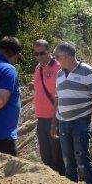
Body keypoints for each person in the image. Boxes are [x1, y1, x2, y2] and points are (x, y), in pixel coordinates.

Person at [49, 42, 92, 184]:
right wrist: (54, 123)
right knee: (68, 160)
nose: (56, 59)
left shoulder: (86, 71)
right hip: (63, 122)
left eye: (57, 56)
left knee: (82, 159)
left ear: (65, 56)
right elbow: (58, 99)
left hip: (81, 121)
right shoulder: (59, 74)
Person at [31, 40, 64, 174]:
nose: (39, 57)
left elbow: (61, 95)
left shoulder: (59, 67)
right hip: (41, 119)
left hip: (55, 118)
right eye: (36, 54)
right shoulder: (38, 68)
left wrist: (56, 121)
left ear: (49, 52)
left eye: (42, 53)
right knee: (46, 157)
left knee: (58, 158)